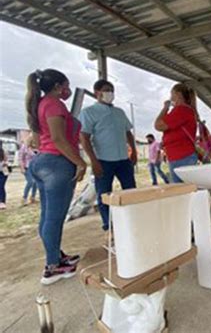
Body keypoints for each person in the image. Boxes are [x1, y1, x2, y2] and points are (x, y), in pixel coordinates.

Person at [26, 69, 86, 285]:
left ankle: (56, 256)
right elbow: (59, 140)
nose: (68, 90)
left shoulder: (40, 103)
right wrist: (80, 162)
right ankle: (52, 267)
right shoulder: (54, 104)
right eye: (66, 86)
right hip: (56, 164)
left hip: (43, 162)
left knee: (47, 216)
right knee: (55, 218)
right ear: (59, 86)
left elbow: (37, 140)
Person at [79, 80, 137, 237]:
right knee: (104, 195)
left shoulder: (119, 112)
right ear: (97, 92)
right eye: (106, 90)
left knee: (131, 191)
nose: (110, 93)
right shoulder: (89, 112)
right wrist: (93, 161)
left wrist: (134, 152)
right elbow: (84, 137)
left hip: (123, 160)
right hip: (103, 161)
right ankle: (109, 226)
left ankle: (132, 220)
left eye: (112, 90)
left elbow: (128, 133)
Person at [155, 83, 198, 183]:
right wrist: (166, 142)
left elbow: (158, 125)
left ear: (178, 94)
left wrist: (165, 108)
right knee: (186, 190)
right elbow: (175, 132)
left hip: (182, 157)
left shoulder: (181, 110)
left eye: (171, 94)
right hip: (182, 156)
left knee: (182, 191)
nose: (170, 97)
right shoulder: (186, 111)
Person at [19, 135, 38, 206]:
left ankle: (33, 197)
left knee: (36, 183)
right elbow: (20, 158)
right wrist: (22, 168)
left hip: (36, 167)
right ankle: (24, 198)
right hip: (27, 167)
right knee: (31, 182)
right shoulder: (24, 147)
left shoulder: (37, 146)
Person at [0, 142, 8, 210]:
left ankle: (2, 202)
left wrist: (5, 163)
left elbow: (6, 161)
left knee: (1, 186)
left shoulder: (3, 152)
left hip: (3, 172)